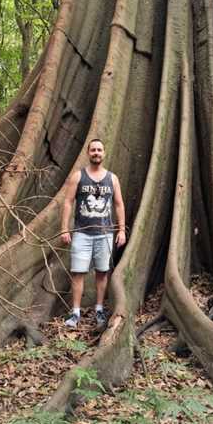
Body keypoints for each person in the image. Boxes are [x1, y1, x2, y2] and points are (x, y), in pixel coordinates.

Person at [60, 138, 126, 328]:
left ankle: (99, 309)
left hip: (105, 234)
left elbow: (119, 204)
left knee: (102, 272)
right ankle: (75, 313)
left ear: (104, 153)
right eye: (93, 150)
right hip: (81, 233)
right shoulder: (78, 177)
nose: (96, 153)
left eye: (99, 150)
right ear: (88, 153)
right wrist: (64, 229)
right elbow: (67, 202)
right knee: (78, 273)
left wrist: (121, 230)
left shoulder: (112, 179)